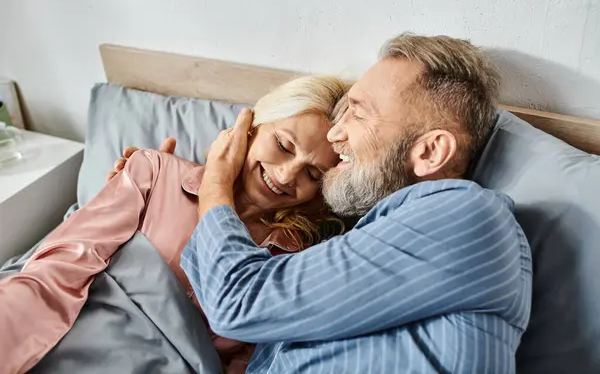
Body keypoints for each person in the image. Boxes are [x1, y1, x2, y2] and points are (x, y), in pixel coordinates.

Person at [178, 33, 533, 373]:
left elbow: (238, 299)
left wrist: (216, 183)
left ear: (430, 151)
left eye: (359, 114)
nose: (335, 134)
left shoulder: (468, 219)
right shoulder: (374, 233)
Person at [0, 76, 351, 374]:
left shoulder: (291, 261)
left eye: (312, 173)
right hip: (72, 338)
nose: (287, 174)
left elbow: (249, 359)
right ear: (252, 127)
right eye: (283, 145)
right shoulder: (156, 171)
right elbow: (63, 264)